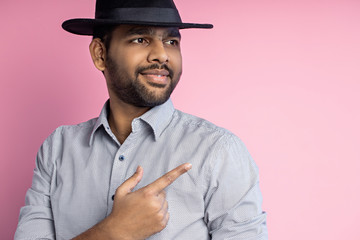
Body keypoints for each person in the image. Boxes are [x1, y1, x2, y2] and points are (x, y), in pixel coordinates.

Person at [15, 0, 268, 239]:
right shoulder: (57, 149)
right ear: (100, 54)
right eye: (140, 39)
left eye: (171, 41)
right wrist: (113, 231)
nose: (162, 55)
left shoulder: (218, 151)